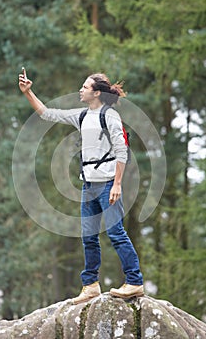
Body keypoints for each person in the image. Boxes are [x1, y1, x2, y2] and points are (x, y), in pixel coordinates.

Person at [18, 68, 144, 304]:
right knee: (88, 237)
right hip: (88, 186)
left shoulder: (110, 116)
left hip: (108, 186)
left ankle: (134, 282)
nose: (81, 89)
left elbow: (122, 151)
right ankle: (90, 285)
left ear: (96, 93)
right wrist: (28, 92)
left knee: (116, 234)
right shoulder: (83, 116)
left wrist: (117, 183)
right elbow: (47, 114)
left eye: (85, 87)